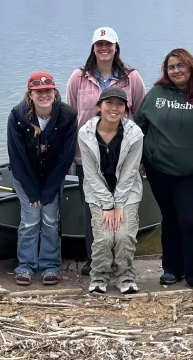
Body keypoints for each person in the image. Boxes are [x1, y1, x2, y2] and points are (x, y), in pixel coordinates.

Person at [135, 48, 193, 290]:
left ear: (190, 66)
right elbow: (138, 128)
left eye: (180, 66)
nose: (175, 70)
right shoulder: (156, 94)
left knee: (191, 220)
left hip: (190, 171)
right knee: (170, 218)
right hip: (158, 170)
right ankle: (172, 268)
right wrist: (146, 156)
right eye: (170, 67)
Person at [66, 27, 146, 276]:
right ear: (93, 48)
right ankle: (96, 259)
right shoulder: (78, 77)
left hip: (123, 156)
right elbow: (71, 116)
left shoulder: (131, 77)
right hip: (87, 156)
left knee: (124, 206)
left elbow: (140, 115)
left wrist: (140, 158)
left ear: (116, 47)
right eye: (99, 44)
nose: (104, 48)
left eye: (108, 44)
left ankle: (122, 261)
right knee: (94, 207)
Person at [6, 72, 78, 287]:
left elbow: (66, 157)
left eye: (48, 90)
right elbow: (16, 157)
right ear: (31, 94)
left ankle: (50, 265)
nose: (44, 95)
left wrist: (48, 190)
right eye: (39, 91)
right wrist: (33, 191)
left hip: (53, 177)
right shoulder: (17, 116)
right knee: (30, 220)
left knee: (50, 220)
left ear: (54, 92)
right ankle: (26, 265)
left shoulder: (67, 115)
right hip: (25, 177)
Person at [79, 86, 145, 294]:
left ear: (125, 108)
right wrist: (107, 204)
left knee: (124, 235)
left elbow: (129, 173)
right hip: (98, 193)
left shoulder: (135, 134)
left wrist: (118, 204)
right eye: (109, 103)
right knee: (104, 238)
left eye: (120, 104)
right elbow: (90, 174)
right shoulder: (85, 134)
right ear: (99, 106)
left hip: (128, 192)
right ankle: (99, 275)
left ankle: (125, 275)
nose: (114, 108)